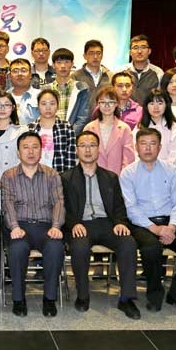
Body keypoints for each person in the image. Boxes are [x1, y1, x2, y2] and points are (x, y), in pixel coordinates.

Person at [120, 128, 176, 313]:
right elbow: (131, 209)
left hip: (170, 221)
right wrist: (156, 229)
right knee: (151, 249)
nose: (148, 148)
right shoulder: (127, 173)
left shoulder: (172, 171)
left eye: (153, 144)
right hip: (142, 224)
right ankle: (154, 295)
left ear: (159, 147)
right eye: (143, 144)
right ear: (136, 147)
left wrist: (171, 227)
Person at [62, 130, 140, 319]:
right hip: (81, 225)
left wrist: (120, 222)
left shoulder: (111, 177)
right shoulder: (65, 178)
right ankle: (82, 295)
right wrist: (73, 224)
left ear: (99, 149)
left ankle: (126, 299)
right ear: (76, 150)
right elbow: (62, 208)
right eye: (83, 146)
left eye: (92, 145)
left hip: (107, 224)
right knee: (79, 247)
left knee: (128, 243)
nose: (88, 150)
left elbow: (119, 205)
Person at [1, 131, 65, 317]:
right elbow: (7, 204)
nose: (30, 151)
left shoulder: (52, 175)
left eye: (35, 147)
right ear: (18, 152)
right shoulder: (9, 176)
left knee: (55, 248)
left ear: (41, 150)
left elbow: (59, 202)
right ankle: (18, 299)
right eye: (26, 147)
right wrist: (14, 227)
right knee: (17, 249)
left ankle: (49, 299)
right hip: (20, 226)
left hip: (46, 226)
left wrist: (56, 226)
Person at [83, 86, 135, 175]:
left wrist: (123, 178)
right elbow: (84, 155)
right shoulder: (89, 128)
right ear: (98, 104)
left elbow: (128, 159)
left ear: (116, 104)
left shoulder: (124, 129)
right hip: (94, 176)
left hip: (117, 177)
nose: (106, 106)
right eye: (103, 102)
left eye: (111, 102)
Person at [27, 89, 77, 173]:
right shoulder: (30, 128)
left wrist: (66, 179)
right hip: (35, 176)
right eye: (43, 104)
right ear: (38, 106)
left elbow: (70, 158)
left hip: (59, 175)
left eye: (52, 103)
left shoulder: (66, 127)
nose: (48, 107)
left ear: (57, 106)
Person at [45, 48, 90, 135]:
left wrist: (70, 135)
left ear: (72, 64)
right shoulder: (46, 89)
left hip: (73, 136)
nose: (63, 66)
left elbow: (83, 117)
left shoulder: (82, 88)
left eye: (67, 62)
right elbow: (43, 115)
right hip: (50, 136)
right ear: (53, 65)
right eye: (59, 62)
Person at [135, 88, 176, 167]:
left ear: (166, 105)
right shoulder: (139, 127)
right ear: (146, 106)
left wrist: (163, 171)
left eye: (160, 103)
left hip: (168, 172)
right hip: (142, 170)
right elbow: (135, 153)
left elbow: (175, 156)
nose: (156, 107)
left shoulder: (175, 129)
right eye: (152, 103)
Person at [117, 34, 164, 104]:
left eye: (143, 47)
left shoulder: (158, 73)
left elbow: (161, 97)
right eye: (135, 48)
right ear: (130, 52)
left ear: (149, 51)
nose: (139, 51)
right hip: (125, 110)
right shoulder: (120, 71)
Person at [71, 39, 113, 109]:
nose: (95, 57)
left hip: (105, 114)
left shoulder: (110, 76)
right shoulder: (76, 76)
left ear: (102, 55)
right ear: (85, 56)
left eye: (98, 53)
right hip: (82, 116)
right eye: (91, 53)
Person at [9, 58, 41, 125]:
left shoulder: (40, 96)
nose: (19, 74)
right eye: (15, 71)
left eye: (23, 70)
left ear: (30, 75)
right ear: (10, 76)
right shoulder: (3, 97)